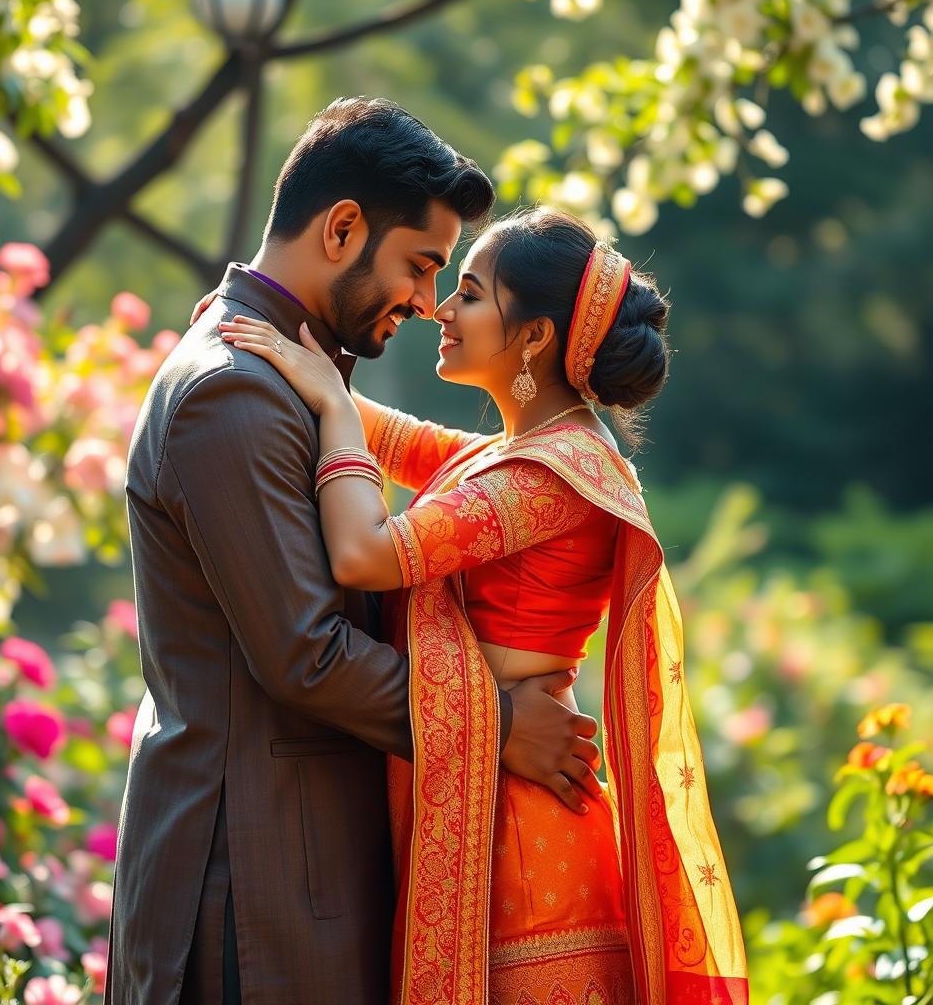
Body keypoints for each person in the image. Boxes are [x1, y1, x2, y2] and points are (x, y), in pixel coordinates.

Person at [108, 100, 604, 1005]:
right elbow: (306, 656)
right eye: (421, 267)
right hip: (252, 892)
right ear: (342, 229)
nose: (427, 304)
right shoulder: (235, 394)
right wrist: (498, 725)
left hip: (293, 877)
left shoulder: (289, 373)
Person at [218, 206, 749, 1004]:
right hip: (506, 800)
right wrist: (262, 326)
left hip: (528, 849)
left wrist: (329, 405)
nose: (439, 309)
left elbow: (365, 555)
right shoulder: (525, 455)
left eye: (467, 293)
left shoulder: (547, 480)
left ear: (532, 336)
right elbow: (395, 441)